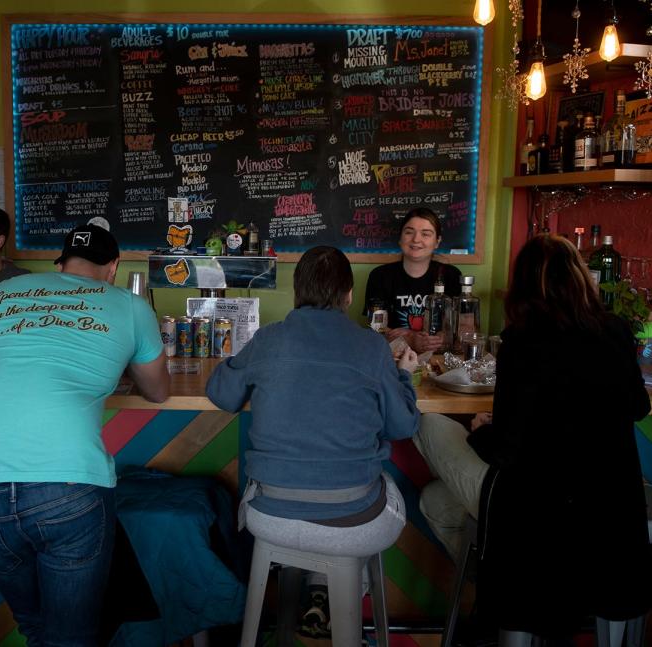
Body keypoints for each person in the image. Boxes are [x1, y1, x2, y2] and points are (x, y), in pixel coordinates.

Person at [414, 234, 652, 638]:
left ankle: (493, 593)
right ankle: (488, 583)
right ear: (579, 279)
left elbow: (507, 451)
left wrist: (480, 430)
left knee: (424, 421)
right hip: (611, 517)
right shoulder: (614, 331)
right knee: (436, 499)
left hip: (535, 522)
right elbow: (638, 407)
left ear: (523, 287)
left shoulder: (522, 342)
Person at [0, 224, 170, 646]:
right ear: (113, 267)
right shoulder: (130, 307)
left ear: (61, 261)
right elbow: (157, 390)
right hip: (70, 488)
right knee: (71, 637)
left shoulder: (3, 293)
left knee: (35, 628)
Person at [206, 246, 420, 639]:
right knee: (380, 488)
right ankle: (336, 593)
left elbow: (222, 394)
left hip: (270, 515)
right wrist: (403, 375)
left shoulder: (269, 339)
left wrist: (238, 360)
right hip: (353, 518)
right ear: (349, 295)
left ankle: (317, 591)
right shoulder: (372, 347)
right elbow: (402, 425)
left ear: (295, 291)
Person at [364, 207, 462, 353]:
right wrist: (410, 339)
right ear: (400, 238)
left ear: (437, 241)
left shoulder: (451, 275)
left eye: (426, 234)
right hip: (392, 357)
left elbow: (462, 327)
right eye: (409, 232)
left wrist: (441, 338)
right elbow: (375, 329)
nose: (416, 239)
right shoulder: (379, 276)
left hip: (440, 357)